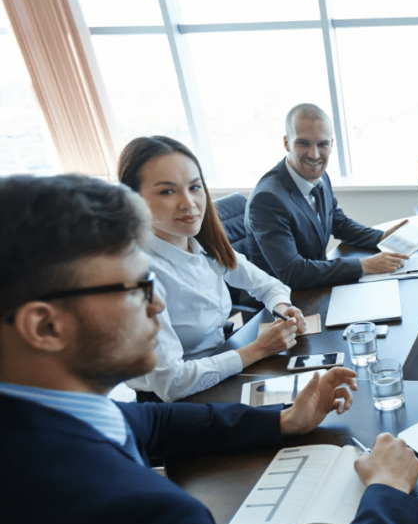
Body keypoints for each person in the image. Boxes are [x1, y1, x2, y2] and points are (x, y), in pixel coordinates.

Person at [0, 174, 418, 524]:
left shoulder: (37, 410)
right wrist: (389, 494)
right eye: (138, 287)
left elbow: (149, 423)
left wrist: (284, 420)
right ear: (45, 326)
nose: (158, 304)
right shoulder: (128, 519)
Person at [117, 136, 302, 402]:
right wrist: (259, 349)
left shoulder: (202, 245)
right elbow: (172, 383)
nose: (188, 203)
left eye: (194, 187)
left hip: (223, 368)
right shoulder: (139, 276)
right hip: (178, 403)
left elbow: (269, 285)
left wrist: (284, 310)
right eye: (167, 191)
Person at [245, 103, 408, 288]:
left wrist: (381, 237)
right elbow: (293, 273)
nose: (314, 155)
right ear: (286, 143)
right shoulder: (267, 200)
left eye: (322, 144)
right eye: (303, 143)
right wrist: (364, 265)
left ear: (332, 144)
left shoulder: (320, 176)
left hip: (317, 285)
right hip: (285, 303)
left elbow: (339, 223)